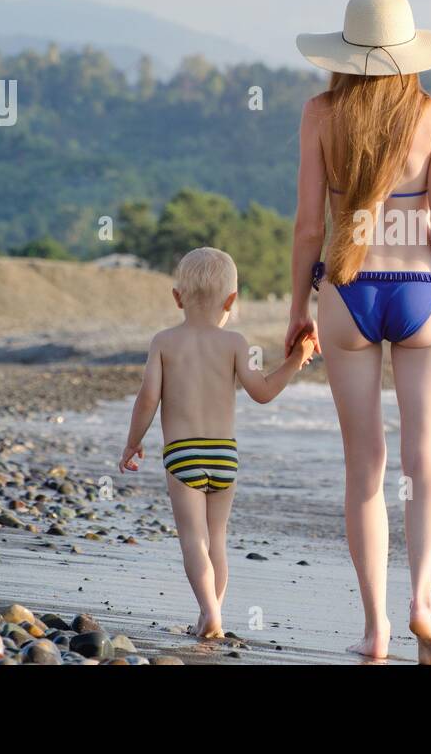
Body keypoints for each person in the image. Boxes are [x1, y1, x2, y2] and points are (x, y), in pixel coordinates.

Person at [287, 0, 431, 664]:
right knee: (424, 463)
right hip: (423, 297)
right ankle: (422, 604)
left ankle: (376, 630)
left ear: (343, 54)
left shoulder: (320, 115)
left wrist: (296, 310)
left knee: (365, 470)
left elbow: (309, 226)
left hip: (347, 295)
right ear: (411, 54)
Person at [120, 246, 316, 639]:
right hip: (224, 455)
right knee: (217, 540)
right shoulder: (236, 343)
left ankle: (209, 613)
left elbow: (148, 398)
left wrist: (133, 443)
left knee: (193, 539)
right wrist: (296, 360)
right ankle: (213, 614)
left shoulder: (164, 342)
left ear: (177, 297)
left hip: (183, 455)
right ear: (231, 300)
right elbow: (261, 392)